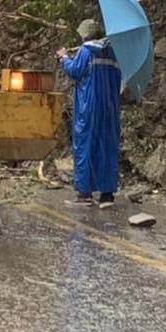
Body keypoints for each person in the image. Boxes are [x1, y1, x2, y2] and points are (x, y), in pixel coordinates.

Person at [57, 18, 122, 209]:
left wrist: (64, 58)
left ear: (84, 34)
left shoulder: (86, 50)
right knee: (107, 146)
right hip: (110, 106)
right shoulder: (113, 52)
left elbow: (75, 71)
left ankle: (85, 193)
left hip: (89, 105)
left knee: (85, 146)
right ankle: (107, 194)